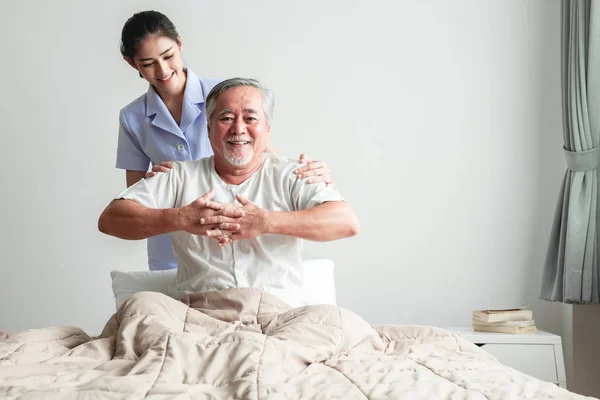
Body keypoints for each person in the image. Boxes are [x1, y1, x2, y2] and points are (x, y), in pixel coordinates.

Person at [99, 78, 359, 307]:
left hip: (276, 313)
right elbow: (111, 219)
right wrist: (181, 218)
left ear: (267, 130)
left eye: (250, 118)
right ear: (209, 129)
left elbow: (345, 222)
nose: (238, 128)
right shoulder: (177, 175)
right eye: (226, 118)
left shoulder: (294, 174)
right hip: (198, 314)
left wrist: (266, 222)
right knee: (141, 308)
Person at [117, 10, 334, 271]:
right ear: (132, 64)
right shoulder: (132, 117)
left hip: (236, 231)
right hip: (171, 243)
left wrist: (304, 173)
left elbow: (260, 150)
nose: (163, 70)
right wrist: (155, 180)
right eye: (148, 63)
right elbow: (134, 200)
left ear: (179, 43)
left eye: (168, 56)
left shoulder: (224, 94)